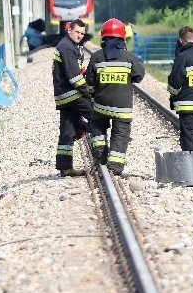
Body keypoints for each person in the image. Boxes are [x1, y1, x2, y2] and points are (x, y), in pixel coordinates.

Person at [85, 18, 145, 175]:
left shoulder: (97, 57)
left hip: (101, 106)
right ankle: (116, 167)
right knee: (120, 135)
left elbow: (89, 83)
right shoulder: (129, 57)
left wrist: (93, 93)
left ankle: (100, 156)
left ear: (103, 38)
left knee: (97, 126)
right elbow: (139, 76)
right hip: (123, 108)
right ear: (122, 38)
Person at [52, 19, 94, 177]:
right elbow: (74, 76)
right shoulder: (67, 48)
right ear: (69, 29)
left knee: (67, 132)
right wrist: (89, 92)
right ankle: (102, 157)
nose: (79, 36)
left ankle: (65, 167)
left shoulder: (69, 45)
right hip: (72, 94)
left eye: (82, 34)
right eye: (77, 32)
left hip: (64, 95)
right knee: (97, 116)